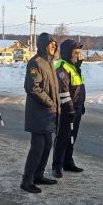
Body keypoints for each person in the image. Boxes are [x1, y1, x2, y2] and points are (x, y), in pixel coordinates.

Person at [21, 33, 60, 193]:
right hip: (38, 112)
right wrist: (50, 103)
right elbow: (32, 87)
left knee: (47, 145)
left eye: (55, 45)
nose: (54, 47)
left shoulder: (50, 62)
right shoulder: (36, 63)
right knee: (37, 147)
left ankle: (38, 175)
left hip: (48, 113)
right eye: (51, 44)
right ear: (43, 45)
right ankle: (27, 180)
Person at [51, 39, 86, 179]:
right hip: (65, 109)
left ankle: (68, 162)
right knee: (63, 137)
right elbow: (63, 91)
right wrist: (70, 109)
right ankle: (57, 166)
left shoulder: (73, 67)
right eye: (75, 52)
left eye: (79, 52)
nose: (78, 55)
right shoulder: (62, 67)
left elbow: (78, 88)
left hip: (76, 108)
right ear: (67, 52)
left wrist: (81, 105)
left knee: (72, 137)